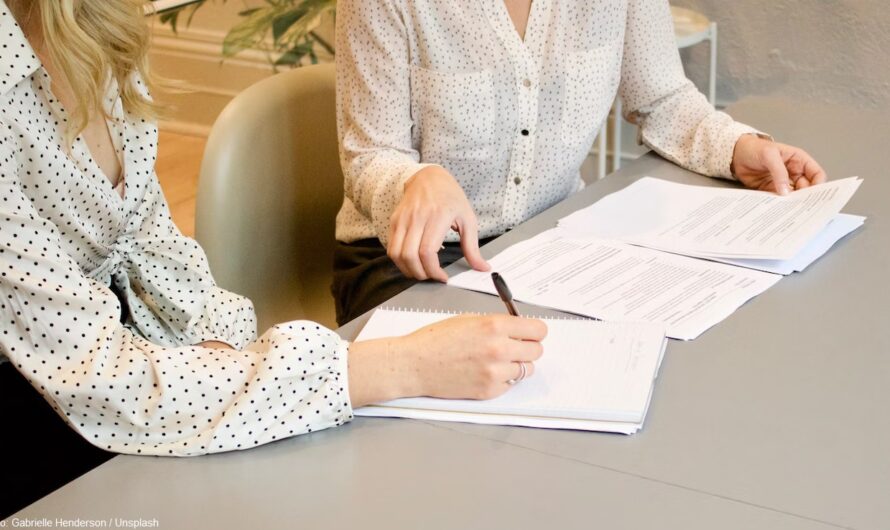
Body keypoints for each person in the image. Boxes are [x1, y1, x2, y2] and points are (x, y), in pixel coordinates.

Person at [0, 0, 546, 517]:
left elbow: (154, 249)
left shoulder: (97, 29)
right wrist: (402, 366)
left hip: (127, 369)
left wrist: (222, 354)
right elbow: (103, 377)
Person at [332, 0, 828, 324]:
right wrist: (416, 180)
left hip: (550, 245)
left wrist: (739, 147)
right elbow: (370, 155)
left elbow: (661, 98)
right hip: (408, 262)